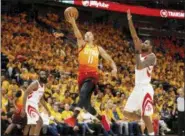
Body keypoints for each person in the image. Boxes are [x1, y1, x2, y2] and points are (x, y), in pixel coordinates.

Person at [66, 16, 117, 115]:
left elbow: (109, 59)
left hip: (92, 75)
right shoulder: (81, 45)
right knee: (86, 105)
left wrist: (114, 68)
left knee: (83, 93)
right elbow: (78, 36)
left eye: (89, 34)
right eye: (86, 35)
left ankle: (74, 115)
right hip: (82, 76)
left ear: (93, 37)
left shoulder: (98, 48)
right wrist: (73, 23)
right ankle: (100, 118)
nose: (87, 36)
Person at [123, 9, 157, 136]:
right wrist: (129, 20)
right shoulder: (141, 52)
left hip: (145, 88)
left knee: (146, 115)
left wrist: (137, 53)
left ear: (150, 47)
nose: (143, 43)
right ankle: (140, 117)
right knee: (126, 112)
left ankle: (151, 134)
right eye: (144, 41)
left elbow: (139, 65)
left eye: (146, 43)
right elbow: (134, 36)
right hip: (137, 88)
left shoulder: (152, 56)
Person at [21, 71, 51, 136]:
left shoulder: (43, 85)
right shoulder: (35, 83)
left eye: (44, 74)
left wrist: (47, 109)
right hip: (29, 104)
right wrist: (23, 108)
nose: (43, 75)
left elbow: (41, 99)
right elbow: (26, 93)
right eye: (42, 74)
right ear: (39, 76)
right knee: (40, 122)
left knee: (33, 125)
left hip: (35, 105)